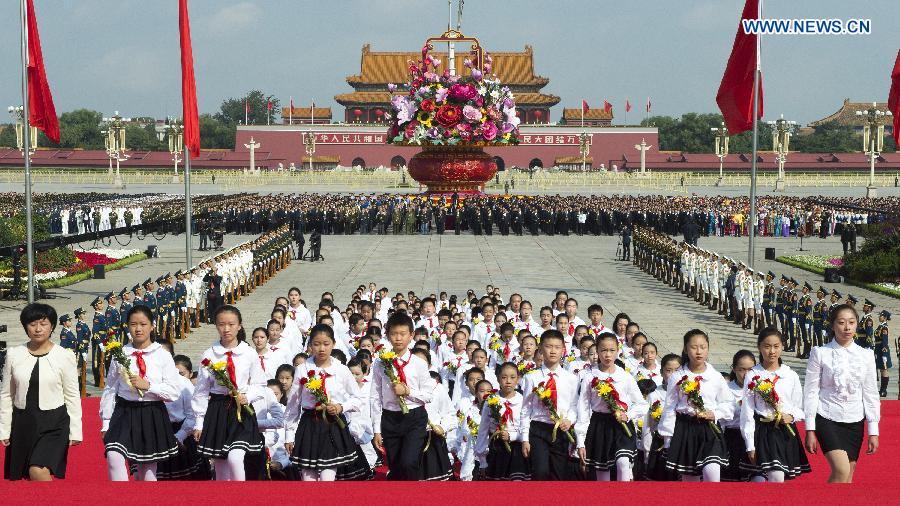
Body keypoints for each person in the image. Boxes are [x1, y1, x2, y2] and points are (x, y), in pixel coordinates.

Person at [1, 303, 82, 481]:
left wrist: (76, 431)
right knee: (29, 475)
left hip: (55, 422)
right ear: (25, 327)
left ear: (52, 326)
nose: (38, 329)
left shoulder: (64, 356)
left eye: (43, 324)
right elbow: (7, 394)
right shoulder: (14, 354)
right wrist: (4, 429)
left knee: (38, 470)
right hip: (23, 421)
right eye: (32, 324)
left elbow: (72, 395)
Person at [100, 305, 181, 481]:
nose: (138, 329)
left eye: (143, 324)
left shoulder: (162, 355)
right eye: (133, 324)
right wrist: (106, 422)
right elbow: (110, 388)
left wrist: (148, 386)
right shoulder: (120, 353)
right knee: (114, 455)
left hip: (151, 412)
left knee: (147, 470)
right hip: (124, 412)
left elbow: (173, 392)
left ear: (152, 326)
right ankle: (121, 499)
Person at [803, 304, 880, 483]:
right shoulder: (820, 353)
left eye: (851, 323)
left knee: (849, 473)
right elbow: (811, 391)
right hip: (827, 416)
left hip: (855, 420)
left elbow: (870, 393)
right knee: (841, 470)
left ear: (857, 325)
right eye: (841, 323)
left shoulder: (866, 355)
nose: (847, 328)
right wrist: (810, 428)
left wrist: (873, 431)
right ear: (832, 325)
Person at [192, 305, 267, 481]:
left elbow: (260, 383)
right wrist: (199, 422)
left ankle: (240, 497)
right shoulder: (210, 354)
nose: (226, 329)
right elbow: (201, 391)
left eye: (231, 324)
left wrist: (247, 396)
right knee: (220, 463)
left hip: (241, 410)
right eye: (221, 324)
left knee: (235, 457)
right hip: (218, 410)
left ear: (239, 326)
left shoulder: (249, 353)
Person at [283, 324, 361, 481]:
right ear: (310, 345)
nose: (321, 349)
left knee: (327, 476)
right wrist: (288, 435)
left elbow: (358, 399)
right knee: (308, 476)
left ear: (333, 344)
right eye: (316, 344)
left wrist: (341, 407)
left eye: (326, 344)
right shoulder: (302, 369)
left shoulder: (341, 369)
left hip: (333, 424)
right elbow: (293, 404)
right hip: (309, 424)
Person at [659, 329, 733, 482]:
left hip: (709, 430)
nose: (698, 352)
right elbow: (670, 408)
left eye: (703, 347)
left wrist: (714, 414)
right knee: (689, 479)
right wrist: (668, 439)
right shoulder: (677, 377)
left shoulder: (715, 377)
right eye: (694, 347)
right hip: (685, 429)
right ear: (686, 349)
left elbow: (729, 404)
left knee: (712, 470)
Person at [741, 328, 810, 482]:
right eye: (767, 346)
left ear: (782, 346)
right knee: (776, 476)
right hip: (764, 432)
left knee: (781, 478)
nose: (772, 351)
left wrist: (791, 416)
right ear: (759, 347)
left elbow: (801, 408)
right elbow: (747, 412)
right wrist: (750, 445)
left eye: (776, 346)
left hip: (785, 432)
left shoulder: (790, 375)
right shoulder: (752, 375)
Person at [372, 312, 434, 480]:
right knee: (396, 466)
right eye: (393, 334)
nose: (398, 338)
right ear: (387, 335)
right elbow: (375, 396)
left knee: (409, 462)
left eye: (402, 334)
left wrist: (408, 392)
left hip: (414, 417)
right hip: (390, 418)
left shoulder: (418, 363)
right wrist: (377, 429)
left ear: (411, 335)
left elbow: (428, 395)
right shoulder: (380, 363)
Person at [575, 333, 643, 481]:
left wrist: (628, 415)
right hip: (600, 425)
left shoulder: (625, 376)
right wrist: (580, 441)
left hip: (621, 424)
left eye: (612, 350)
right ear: (597, 351)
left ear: (618, 350)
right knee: (602, 472)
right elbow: (583, 409)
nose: (607, 355)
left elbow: (641, 404)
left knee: (623, 462)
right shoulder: (589, 376)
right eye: (603, 350)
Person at [521, 330, 578, 480]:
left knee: (559, 474)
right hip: (538, 429)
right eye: (548, 346)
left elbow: (574, 406)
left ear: (563, 350)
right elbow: (525, 410)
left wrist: (569, 420)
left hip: (560, 430)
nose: (553, 351)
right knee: (540, 471)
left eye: (557, 347)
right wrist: (525, 438)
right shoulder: (531, 377)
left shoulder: (571, 378)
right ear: (540, 349)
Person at [475, 362, 530, 481]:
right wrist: (482, 460)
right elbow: (483, 429)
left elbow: (527, 427)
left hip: (517, 449)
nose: (508, 381)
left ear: (518, 379)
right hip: (497, 447)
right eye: (504, 377)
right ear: (498, 379)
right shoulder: (491, 400)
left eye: (512, 377)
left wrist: (512, 436)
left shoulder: (523, 400)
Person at [720, 349, 755, 482]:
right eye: (741, 369)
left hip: (753, 437)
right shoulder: (726, 389)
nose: (746, 374)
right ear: (733, 369)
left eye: (750, 369)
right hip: (732, 438)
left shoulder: (761, 389)